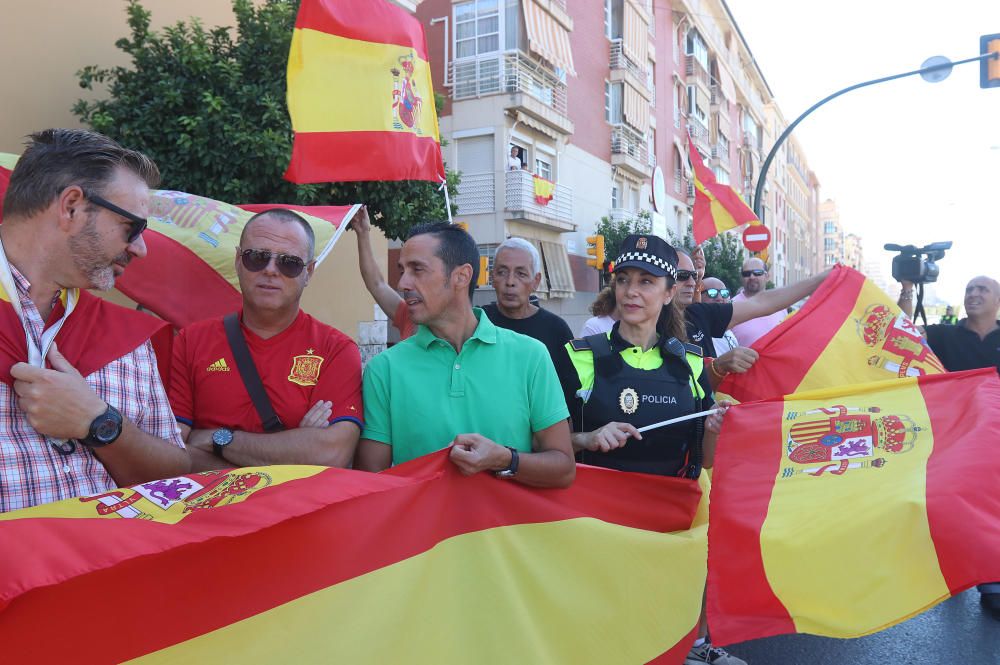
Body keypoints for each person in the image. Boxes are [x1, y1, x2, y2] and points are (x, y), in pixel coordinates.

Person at [561, 234, 742, 665]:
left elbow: (706, 460)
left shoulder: (691, 363)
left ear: (668, 292)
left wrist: (714, 427)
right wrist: (586, 438)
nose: (632, 291)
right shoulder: (578, 357)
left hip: (667, 531)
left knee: (659, 638)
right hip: (597, 530)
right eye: (623, 280)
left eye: (646, 281)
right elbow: (542, 443)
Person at [0, 128, 189, 512]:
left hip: (118, 565)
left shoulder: (127, 338)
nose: (141, 248)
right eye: (131, 227)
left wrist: (101, 423)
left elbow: (177, 480)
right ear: (71, 206)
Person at [355, 222, 575, 488]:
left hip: (508, 529)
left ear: (461, 276)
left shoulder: (532, 356)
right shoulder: (383, 369)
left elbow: (563, 468)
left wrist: (505, 459)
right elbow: (369, 484)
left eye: (417, 269)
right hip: (426, 531)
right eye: (402, 270)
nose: (403, 283)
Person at [170, 208, 363, 471]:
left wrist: (216, 439)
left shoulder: (336, 350)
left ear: (309, 272)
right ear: (238, 260)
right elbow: (173, 453)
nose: (271, 270)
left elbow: (329, 453)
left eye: (289, 263)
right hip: (211, 508)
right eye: (257, 257)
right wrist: (294, 449)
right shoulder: (191, 341)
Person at [899, 275, 1000, 619]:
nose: (973, 294)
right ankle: (954, 570)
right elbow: (901, 333)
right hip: (951, 436)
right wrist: (908, 290)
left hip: (995, 440)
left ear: (997, 300)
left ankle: (991, 578)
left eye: (982, 290)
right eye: (969, 289)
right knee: (950, 503)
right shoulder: (942, 334)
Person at [482, 237, 576, 406]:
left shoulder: (556, 330)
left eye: (521, 274)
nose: (510, 282)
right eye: (502, 272)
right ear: (492, 277)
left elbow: (570, 398)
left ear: (536, 281)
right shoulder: (478, 323)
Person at [350, 206, 415, 339]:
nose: (401, 285)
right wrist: (363, 233)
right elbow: (377, 284)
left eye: (418, 270)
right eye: (402, 271)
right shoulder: (410, 316)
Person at [729, 257, 786, 347]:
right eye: (746, 274)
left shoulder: (780, 305)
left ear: (767, 276)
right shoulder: (731, 307)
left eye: (757, 273)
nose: (752, 277)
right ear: (741, 278)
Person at [700, 277, 739, 355]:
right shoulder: (697, 333)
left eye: (724, 293)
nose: (720, 298)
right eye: (712, 293)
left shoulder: (729, 332)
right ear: (698, 296)